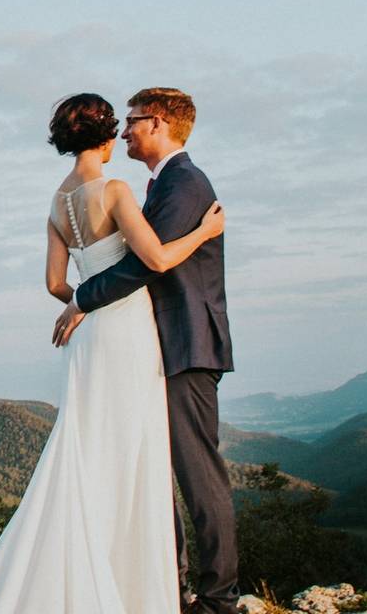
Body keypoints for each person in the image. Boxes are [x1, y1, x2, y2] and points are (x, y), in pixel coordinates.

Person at [0, 92, 224, 614]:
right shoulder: (115, 190)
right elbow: (158, 259)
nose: (122, 136)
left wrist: (82, 299)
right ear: (102, 136)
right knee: (135, 445)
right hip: (129, 330)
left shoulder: (56, 203)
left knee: (91, 441)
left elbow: (55, 283)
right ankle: (136, 581)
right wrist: (207, 230)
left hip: (89, 334)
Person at [54, 88, 238, 614]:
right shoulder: (157, 186)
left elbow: (146, 263)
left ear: (156, 124)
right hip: (154, 345)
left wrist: (84, 299)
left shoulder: (184, 183)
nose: (123, 131)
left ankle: (219, 599)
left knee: (197, 471)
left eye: (132, 121)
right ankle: (166, 587)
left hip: (185, 344)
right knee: (153, 467)